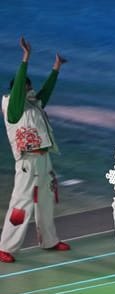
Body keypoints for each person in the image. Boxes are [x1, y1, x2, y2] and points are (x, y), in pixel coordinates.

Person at [0, 37, 70, 263]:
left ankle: (49, 240)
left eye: (29, 88)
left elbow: (45, 93)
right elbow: (20, 87)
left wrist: (56, 68)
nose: (30, 91)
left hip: (43, 159)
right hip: (27, 163)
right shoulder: (13, 109)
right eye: (26, 88)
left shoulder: (33, 105)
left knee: (47, 202)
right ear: (19, 90)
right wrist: (25, 58)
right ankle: (6, 247)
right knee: (21, 204)